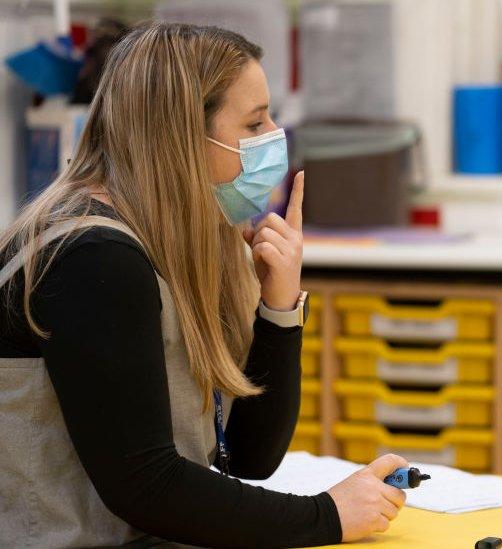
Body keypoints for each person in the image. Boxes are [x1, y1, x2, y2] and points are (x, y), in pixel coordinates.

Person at [0, 22, 406, 547]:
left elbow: (246, 454)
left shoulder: (182, 240)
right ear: (183, 136)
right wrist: (327, 515)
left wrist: (279, 307)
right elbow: (147, 486)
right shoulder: (92, 259)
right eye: (255, 122)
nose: (274, 138)